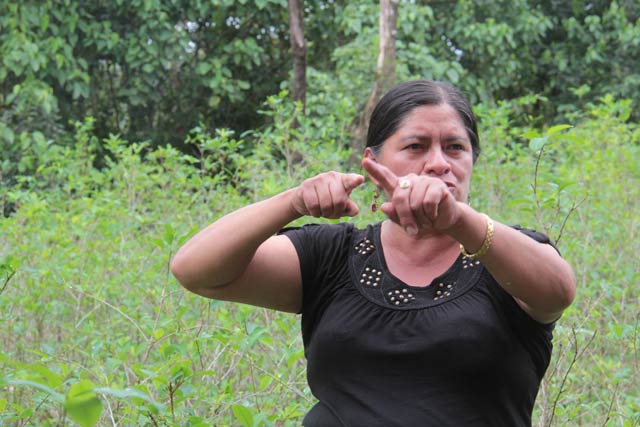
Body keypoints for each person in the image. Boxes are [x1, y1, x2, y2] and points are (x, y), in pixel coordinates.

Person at [170, 80, 576, 426]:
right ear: (373, 163)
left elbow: (557, 292)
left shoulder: (506, 255)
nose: (438, 164)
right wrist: (293, 201)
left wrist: (458, 221)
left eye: (455, 148)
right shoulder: (330, 256)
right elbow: (195, 270)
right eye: (416, 146)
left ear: (472, 161)